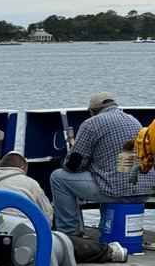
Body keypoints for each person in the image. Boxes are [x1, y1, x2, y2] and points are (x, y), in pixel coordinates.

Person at [49, 93, 155, 241]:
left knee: (58, 177)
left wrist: (67, 164)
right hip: (144, 191)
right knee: (111, 175)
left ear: (92, 111)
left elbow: (74, 165)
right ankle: (105, 226)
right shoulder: (133, 121)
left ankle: (69, 232)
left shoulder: (92, 123)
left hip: (117, 193)